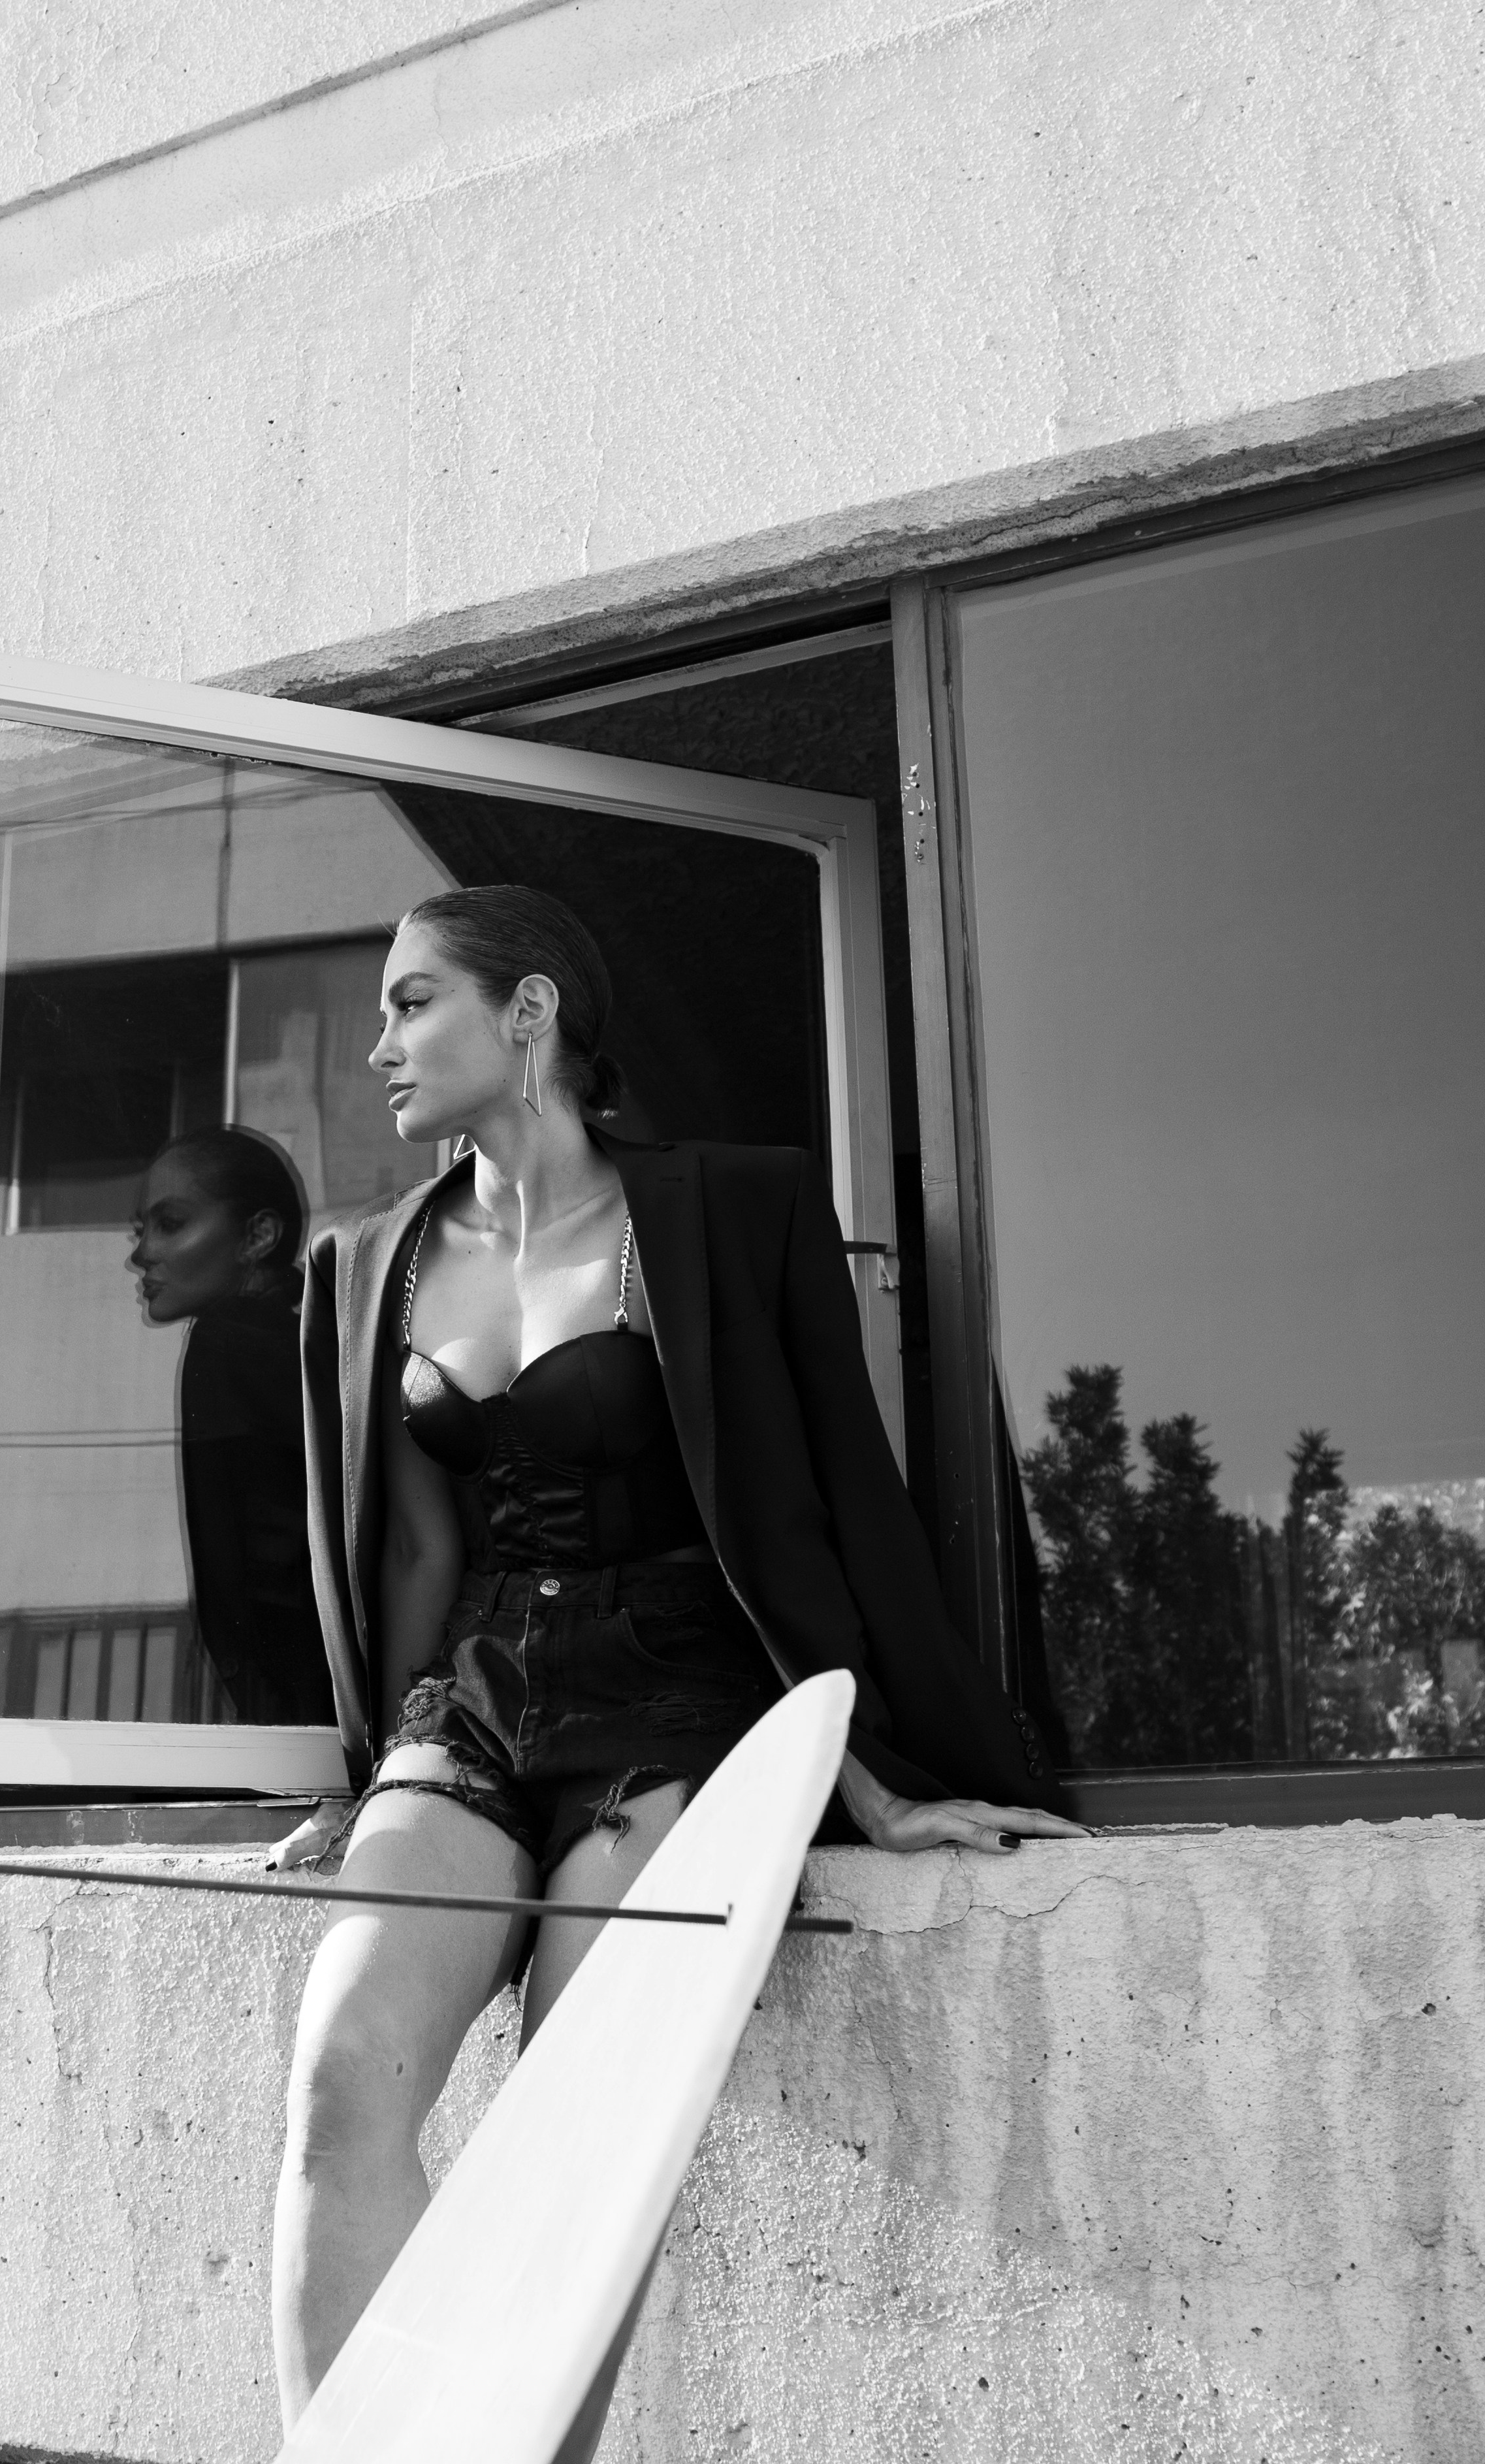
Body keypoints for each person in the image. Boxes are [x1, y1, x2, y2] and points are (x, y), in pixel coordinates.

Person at [268, 883, 1081, 2416]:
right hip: (481, 1697)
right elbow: (414, 1550)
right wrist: (368, 1771)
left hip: (680, 1699)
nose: (378, 1038)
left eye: (409, 998)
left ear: (530, 1014)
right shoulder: (366, 1262)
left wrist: (870, 1778)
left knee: (573, 2134)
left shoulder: (728, 1207)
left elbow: (828, 1503)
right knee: (338, 2078)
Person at [130, 1127, 338, 1728]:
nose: (142, 1253)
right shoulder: (319, 1331)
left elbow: (242, 1581)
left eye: (169, 1224)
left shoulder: (225, 1344)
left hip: (294, 1716)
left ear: (258, 1236)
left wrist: (262, 1721)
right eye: (139, 1229)